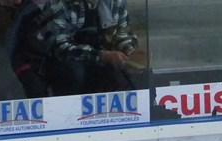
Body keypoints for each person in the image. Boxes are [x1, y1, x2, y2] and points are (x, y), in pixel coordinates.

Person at [10, 0, 138, 97]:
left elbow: (122, 33)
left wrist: (128, 49)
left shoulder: (116, 3)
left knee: (122, 78)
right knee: (75, 73)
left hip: (96, 58)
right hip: (50, 61)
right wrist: (102, 56)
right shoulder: (61, 5)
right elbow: (59, 47)